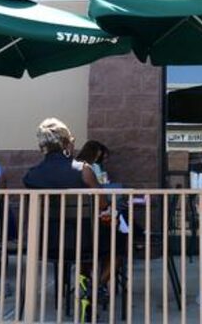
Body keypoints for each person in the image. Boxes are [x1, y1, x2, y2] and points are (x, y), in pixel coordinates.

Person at [23, 118, 121, 310]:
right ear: (66, 144)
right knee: (119, 242)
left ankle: (86, 283)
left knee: (87, 236)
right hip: (84, 242)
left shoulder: (31, 175)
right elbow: (102, 205)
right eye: (72, 140)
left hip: (46, 243)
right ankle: (96, 286)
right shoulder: (83, 171)